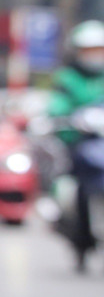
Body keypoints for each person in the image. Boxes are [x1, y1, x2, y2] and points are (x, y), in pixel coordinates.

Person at [48, 19, 104, 260]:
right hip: (80, 144)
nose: (94, 56)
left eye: (98, 51)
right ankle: (78, 233)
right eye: (89, 51)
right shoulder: (67, 78)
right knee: (76, 183)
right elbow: (56, 108)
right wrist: (69, 120)